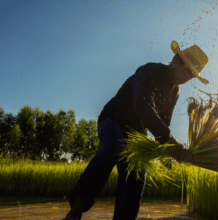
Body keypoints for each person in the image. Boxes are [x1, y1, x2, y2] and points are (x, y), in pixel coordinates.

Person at [62, 40, 209, 220]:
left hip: (136, 132)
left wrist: (165, 153)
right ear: (177, 60)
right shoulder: (150, 71)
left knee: (137, 173)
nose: (188, 78)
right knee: (112, 148)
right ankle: (75, 211)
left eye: (192, 76)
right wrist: (169, 141)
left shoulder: (175, 91)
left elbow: (164, 122)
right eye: (187, 71)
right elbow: (143, 106)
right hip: (113, 119)